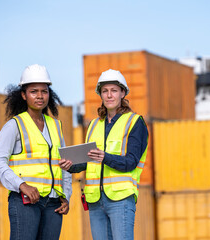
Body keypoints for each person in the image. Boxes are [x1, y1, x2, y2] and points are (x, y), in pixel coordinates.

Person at [60, 69, 148, 240]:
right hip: (95, 201)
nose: (109, 95)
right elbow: (89, 161)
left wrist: (105, 157)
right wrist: (71, 166)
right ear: (100, 94)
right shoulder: (93, 125)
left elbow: (131, 162)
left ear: (123, 93)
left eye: (114, 90)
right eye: (105, 91)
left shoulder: (135, 122)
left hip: (121, 199)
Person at [0, 64, 72, 240]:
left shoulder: (55, 126)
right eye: (34, 91)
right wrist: (22, 185)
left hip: (53, 205)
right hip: (25, 202)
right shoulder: (15, 125)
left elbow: (63, 165)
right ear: (23, 95)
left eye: (44, 91)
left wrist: (66, 196)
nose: (40, 96)